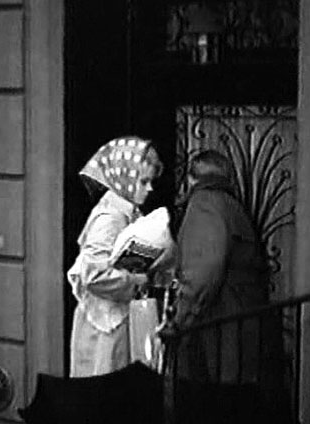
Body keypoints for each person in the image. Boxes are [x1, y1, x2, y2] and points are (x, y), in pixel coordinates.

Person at [164, 150, 284, 390]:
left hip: (216, 329)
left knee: (207, 399)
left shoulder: (205, 203)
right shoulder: (230, 205)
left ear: (191, 179)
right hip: (239, 328)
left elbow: (202, 273)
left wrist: (179, 321)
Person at [67, 136, 164, 377]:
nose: (150, 189)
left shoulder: (128, 213)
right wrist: (137, 280)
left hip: (117, 323)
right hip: (105, 328)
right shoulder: (110, 218)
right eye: (143, 181)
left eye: (151, 181)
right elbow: (94, 275)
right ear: (124, 178)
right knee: (105, 388)